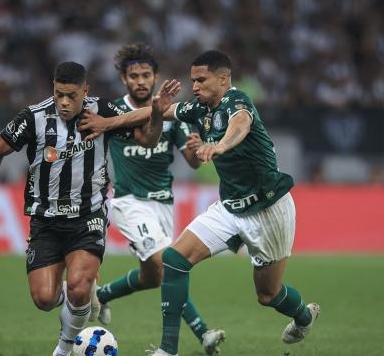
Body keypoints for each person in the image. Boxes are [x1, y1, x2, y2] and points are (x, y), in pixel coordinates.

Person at [80, 50, 320, 356]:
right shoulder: (198, 108)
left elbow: (241, 125)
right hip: (231, 207)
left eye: (201, 80)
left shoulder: (238, 101)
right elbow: (149, 114)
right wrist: (108, 122)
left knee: (268, 294)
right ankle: (168, 350)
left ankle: (303, 317)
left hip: (268, 209)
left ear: (222, 79)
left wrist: (219, 145)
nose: (194, 85)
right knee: (174, 260)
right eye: (192, 79)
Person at [0, 61, 180, 356]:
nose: (65, 102)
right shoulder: (34, 117)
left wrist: (156, 113)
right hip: (45, 220)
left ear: (85, 91)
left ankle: (64, 350)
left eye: (71, 95)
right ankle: (81, 294)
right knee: (43, 298)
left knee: (79, 286)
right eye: (59, 94)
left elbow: (147, 139)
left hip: (87, 216)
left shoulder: (103, 110)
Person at [93, 43, 225, 355]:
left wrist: (196, 146)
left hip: (164, 203)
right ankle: (202, 333)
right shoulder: (115, 112)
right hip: (129, 202)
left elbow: (192, 161)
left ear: (155, 77)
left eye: (146, 75)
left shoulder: (173, 114)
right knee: (169, 267)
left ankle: (103, 295)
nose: (140, 80)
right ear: (124, 80)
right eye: (134, 75)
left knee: (151, 276)